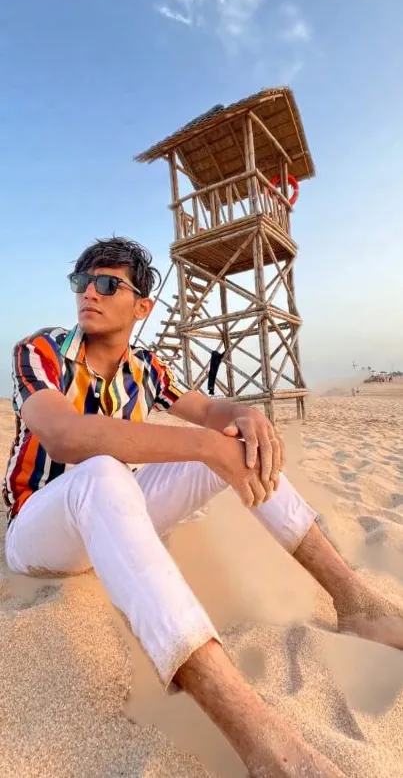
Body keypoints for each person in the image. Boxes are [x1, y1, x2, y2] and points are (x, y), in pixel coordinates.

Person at [3, 236, 401, 778]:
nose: (88, 294)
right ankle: (261, 739)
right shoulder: (40, 351)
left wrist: (243, 414)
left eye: (106, 284)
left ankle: (357, 604)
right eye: (81, 282)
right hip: (38, 532)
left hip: (116, 517)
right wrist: (201, 444)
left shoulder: (147, 367)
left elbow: (211, 408)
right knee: (102, 470)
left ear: (142, 306)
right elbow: (67, 437)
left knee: (239, 448)